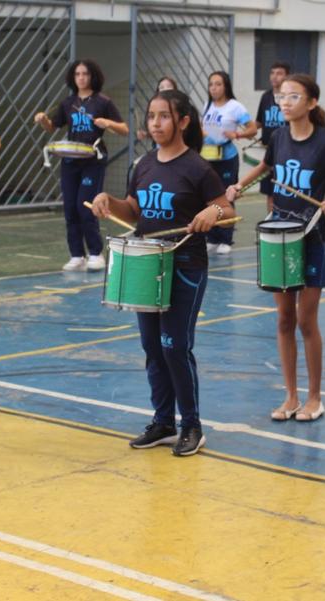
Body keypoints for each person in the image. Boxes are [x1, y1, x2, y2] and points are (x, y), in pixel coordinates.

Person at [89, 90, 235, 456]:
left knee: (175, 347)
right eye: (151, 116)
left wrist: (212, 215)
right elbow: (135, 211)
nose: (155, 123)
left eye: (163, 116)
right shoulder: (143, 165)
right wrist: (110, 202)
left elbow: (227, 210)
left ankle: (192, 425)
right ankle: (163, 421)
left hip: (185, 267)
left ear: (183, 121)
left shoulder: (198, 168)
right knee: (152, 348)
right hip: (147, 264)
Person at [229, 74, 325, 421]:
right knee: (283, 319)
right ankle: (291, 396)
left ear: (311, 103)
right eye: (282, 96)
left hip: (311, 237)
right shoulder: (278, 137)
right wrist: (238, 185)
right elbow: (266, 167)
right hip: (278, 236)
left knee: (307, 321)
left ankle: (315, 397)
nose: (285, 102)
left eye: (294, 96)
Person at [35, 59, 127, 272]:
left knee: (85, 206)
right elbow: (52, 126)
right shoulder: (68, 103)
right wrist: (42, 120)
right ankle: (77, 254)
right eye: (77, 74)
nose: (81, 78)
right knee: (70, 208)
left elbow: (124, 129)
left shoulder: (103, 102)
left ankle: (95, 253)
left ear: (92, 76)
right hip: (70, 159)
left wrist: (108, 123)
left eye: (85, 74)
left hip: (92, 160)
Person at [202, 71, 256, 255]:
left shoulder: (235, 107)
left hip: (227, 158)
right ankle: (212, 236)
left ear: (225, 86)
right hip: (208, 157)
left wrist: (238, 134)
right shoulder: (207, 105)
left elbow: (252, 129)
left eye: (218, 84)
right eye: (211, 84)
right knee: (209, 197)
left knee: (226, 197)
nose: (214, 88)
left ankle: (226, 238)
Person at [253, 62, 290, 197]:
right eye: (272, 73)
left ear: (287, 77)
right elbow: (259, 122)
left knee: (284, 192)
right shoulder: (266, 96)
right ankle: (272, 219)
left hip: (287, 150)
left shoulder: (290, 98)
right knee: (270, 193)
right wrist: (242, 131)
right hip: (268, 150)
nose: (274, 77)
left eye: (279, 73)